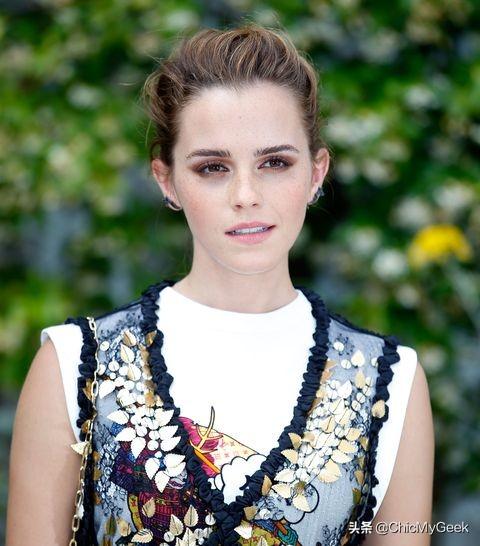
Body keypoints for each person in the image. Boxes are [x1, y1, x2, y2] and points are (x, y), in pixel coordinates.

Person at [6, 22, 434, 546]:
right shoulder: (75, 365)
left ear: (317, 172)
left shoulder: (390, 382)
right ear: (167, 180)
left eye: (275, 162)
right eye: (213, 167)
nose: (246, 194)